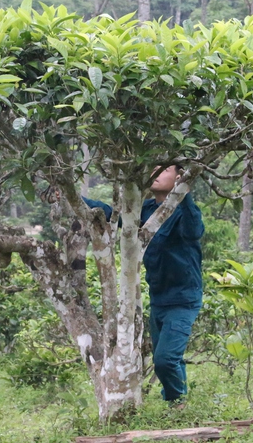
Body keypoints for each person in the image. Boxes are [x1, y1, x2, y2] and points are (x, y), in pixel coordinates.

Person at [82, 165, 205, 408]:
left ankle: (177, 402)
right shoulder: (145, 209)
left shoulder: (185, 212)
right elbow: (111, 214)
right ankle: (178, 404)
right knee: (169, 358)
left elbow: (194, 232)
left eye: (165, 170)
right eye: (154, 169)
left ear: (179, 177)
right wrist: (77, 199)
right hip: (158, 298)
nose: (156, 174)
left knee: (165, 360)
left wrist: (184, 192)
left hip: (183, 299)